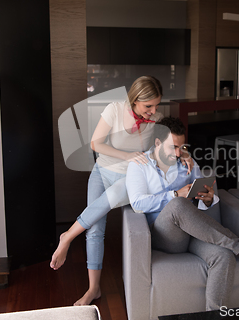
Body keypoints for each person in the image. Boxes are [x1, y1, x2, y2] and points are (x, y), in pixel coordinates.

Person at [50, 76, 192, 306]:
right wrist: (127, 155)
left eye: (156, 105)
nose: (153, 111)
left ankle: (67, 236)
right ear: (135, 100)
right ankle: (93, 289)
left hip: (129, 177)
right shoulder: (114, 110)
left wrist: (184, 153)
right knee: (95, 229)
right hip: (101, 170)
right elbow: (96, 144)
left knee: (113, 196)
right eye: (149, 106)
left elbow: (169, 142)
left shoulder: (155, 120)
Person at [126, 116, 239, 311]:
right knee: (177, 205)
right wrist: (175, 194)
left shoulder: (187, 163)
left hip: (194, 232)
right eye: (173, 147)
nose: (178, 153)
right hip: (165, 235)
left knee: (224, 256)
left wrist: (208, 199)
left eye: (182, 147)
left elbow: (203, 193)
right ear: (157, 143)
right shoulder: (139, 165)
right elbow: (137, 203)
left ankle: (215, 314)